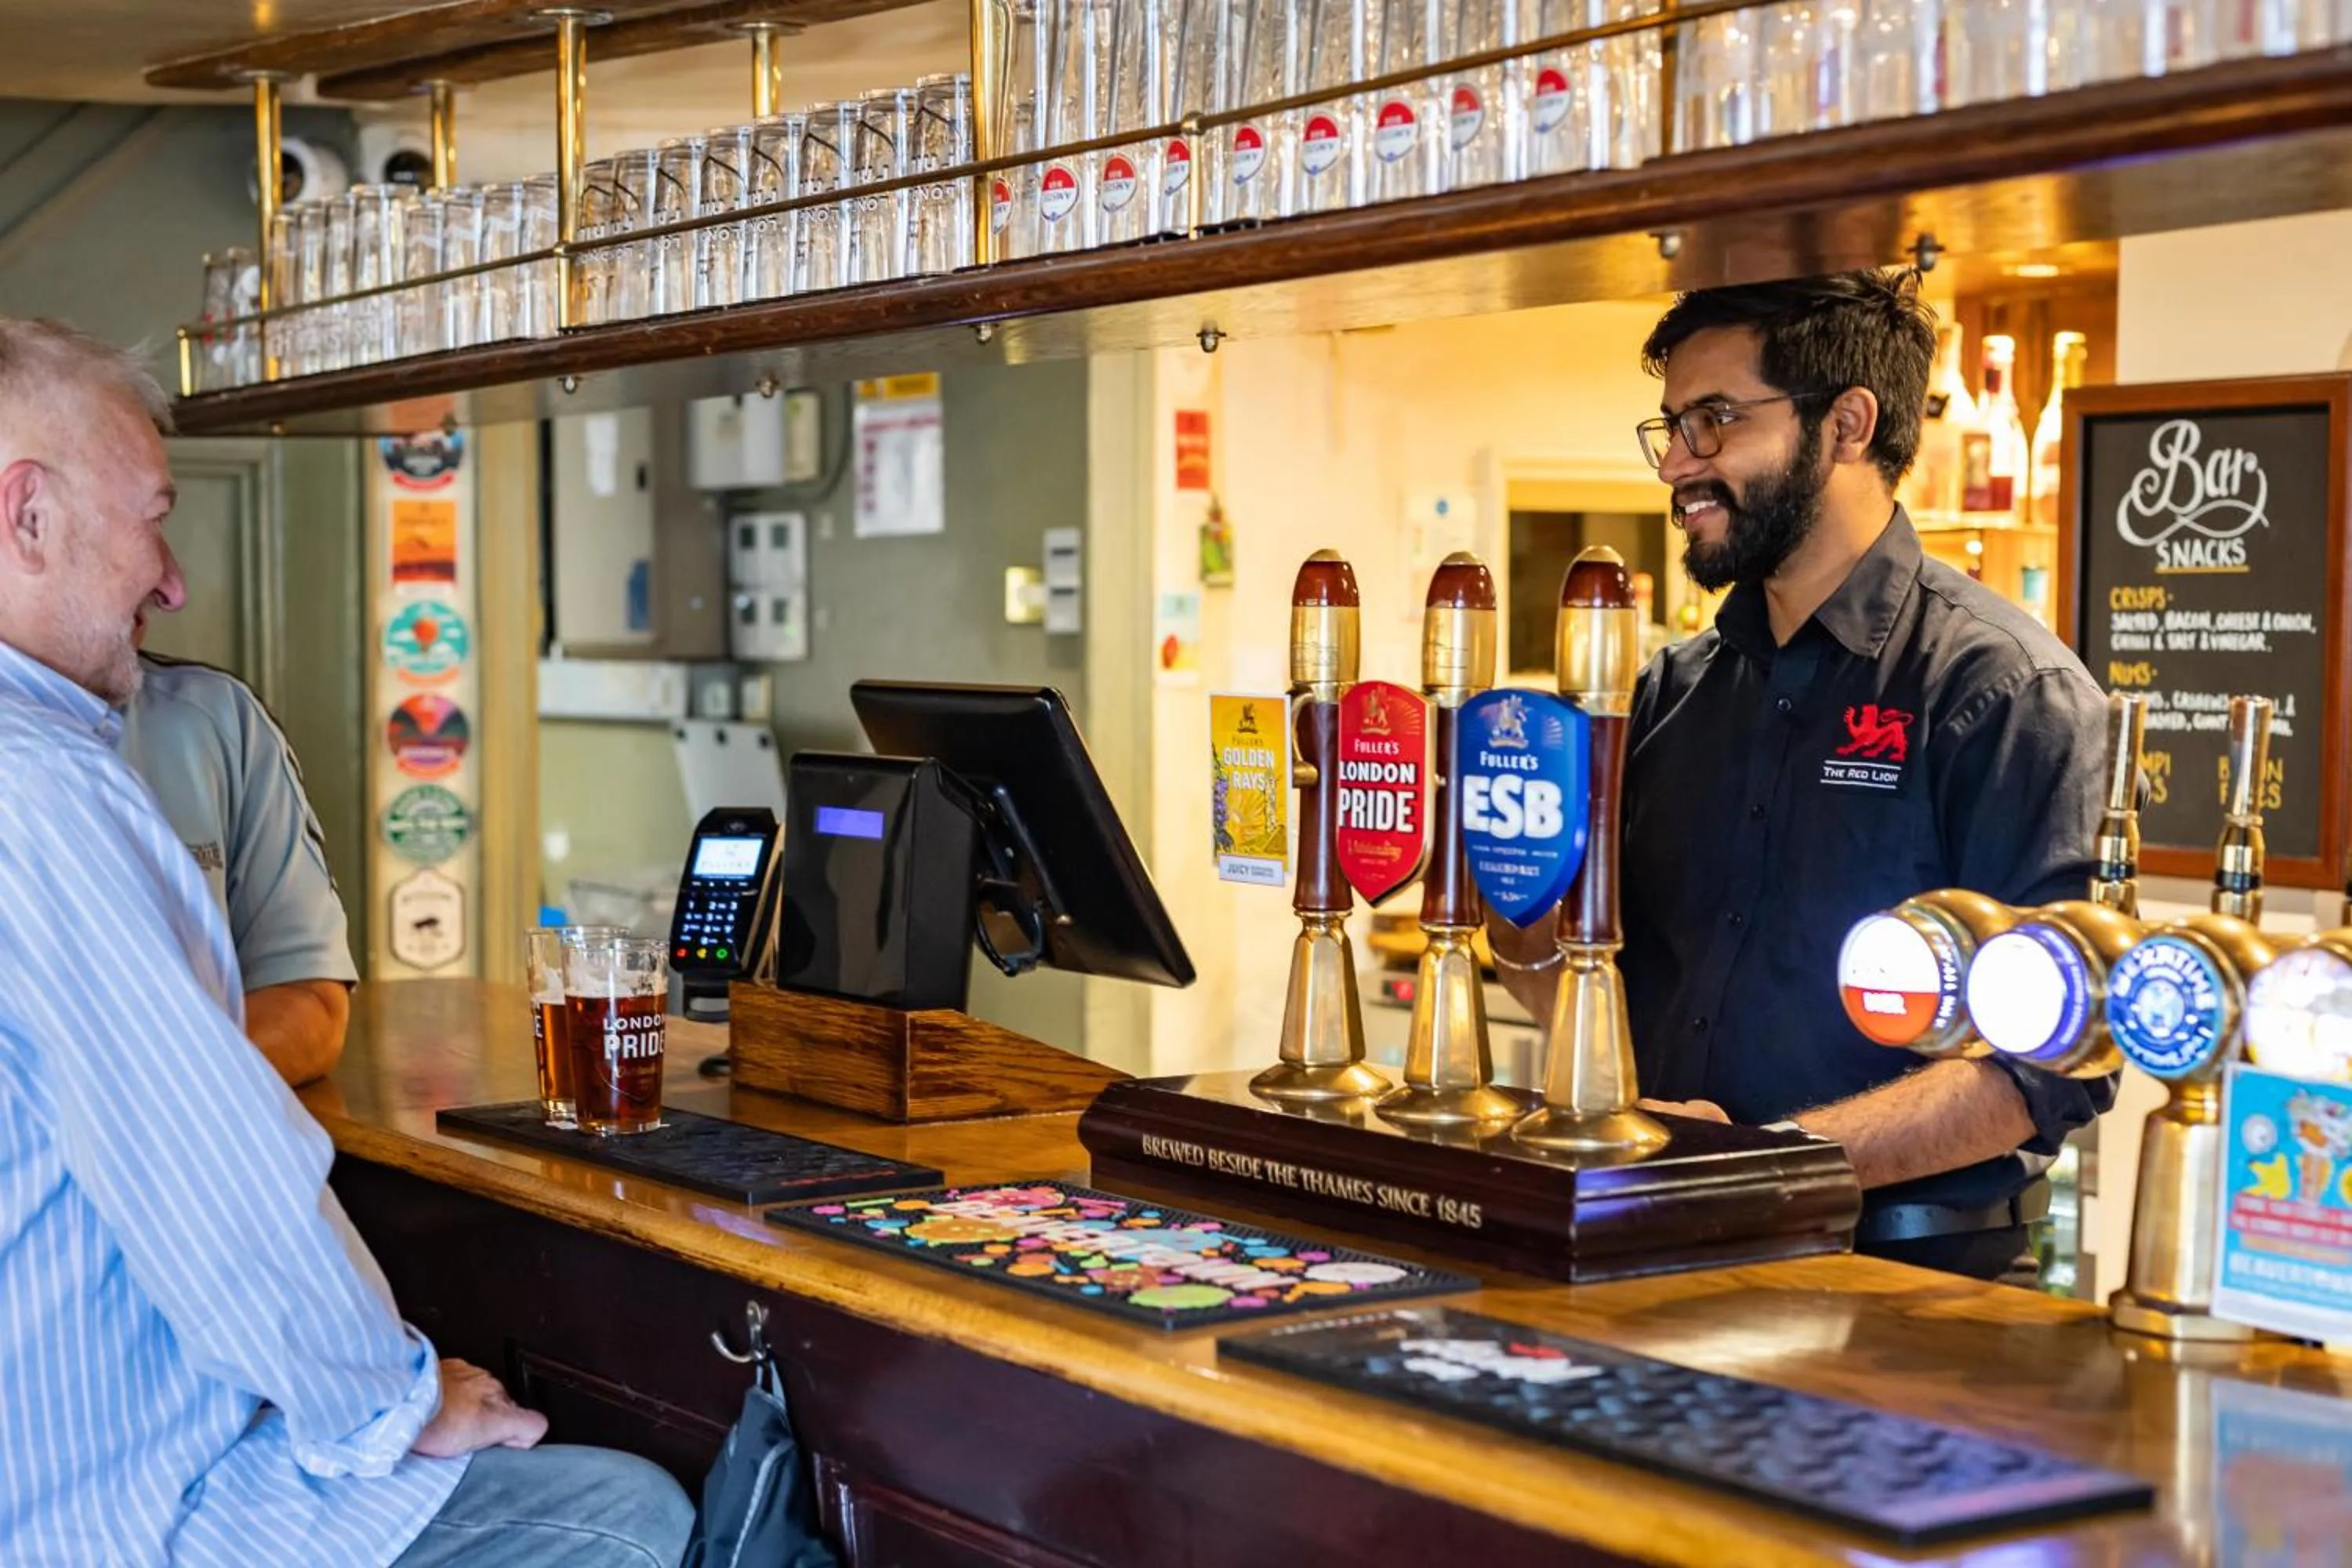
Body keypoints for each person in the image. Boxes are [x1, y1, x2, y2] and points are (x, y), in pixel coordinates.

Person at [0, 315, 695, 1566]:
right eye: (153, 518)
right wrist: (395, 1400)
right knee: (628, 1524)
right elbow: (194, 1151)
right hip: (106, 1502)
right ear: (28, 517)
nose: (172, 579)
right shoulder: (39, 787)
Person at [1493, 271, 2116, 1283]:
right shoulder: (1670, 693)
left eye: (1715, 421)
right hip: (1651, 1248)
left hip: (1902, 1282)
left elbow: (2047, 1066)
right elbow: (1582, 983)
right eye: (1671, 429)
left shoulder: (2000, 690)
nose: (1680, 467)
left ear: (1848, 424)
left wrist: (1761, 1163)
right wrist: (1503, 903)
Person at [119, 647, 357, 1084]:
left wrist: (149, 1098)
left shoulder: (213, 716)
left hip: (194, 1138)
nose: (171, 591)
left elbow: (311, 1002)